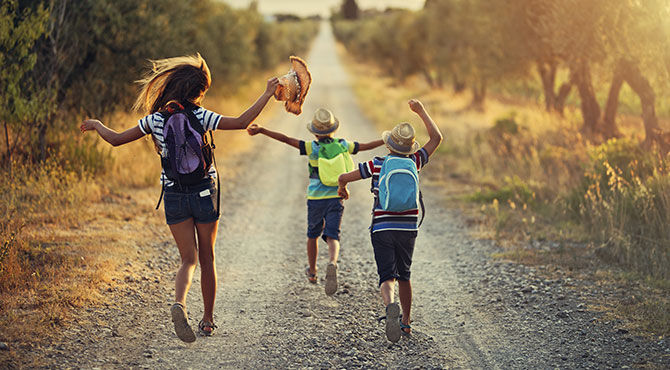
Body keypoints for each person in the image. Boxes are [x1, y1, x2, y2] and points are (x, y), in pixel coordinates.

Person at [79, 53, 279, 342]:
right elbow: (241, 121)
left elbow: (117, 139)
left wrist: (98, 125)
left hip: (173, 194)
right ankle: (208, 321)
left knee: (188, 260)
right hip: (203, 192)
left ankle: (180, 303)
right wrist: (267, 93)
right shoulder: (202, 115)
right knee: (207, 259)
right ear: (197, 91)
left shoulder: (156, 119)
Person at [246, 108, 383, 295]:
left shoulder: (312, 147)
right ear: (333, 129)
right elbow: (366, 146)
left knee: (313, 234)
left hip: (315, 198)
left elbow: (286, 139)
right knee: (333, 235)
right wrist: (385, 140)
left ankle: (312, 271)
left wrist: (262, 130)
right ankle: (332, 262)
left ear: (315, 132)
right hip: (336, 196)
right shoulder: (343, 145)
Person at [337, 99, 443, 343]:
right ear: (409, 146)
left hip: (382, 227)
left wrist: (343, 187)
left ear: (390, 143)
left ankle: (390, 306)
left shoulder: (377, 164)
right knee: (405, 275)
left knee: (387, 276)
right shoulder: (415, 161)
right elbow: (437, 138)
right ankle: (405, 323)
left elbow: (345, 176)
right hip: (408, 227)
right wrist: (421, 110)